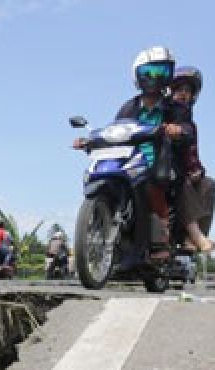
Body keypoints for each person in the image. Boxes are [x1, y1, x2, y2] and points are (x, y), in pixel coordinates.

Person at [74, 46, 192, 259]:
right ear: (137, 75)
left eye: (162, 72)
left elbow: (188, 129)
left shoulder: (175, 107)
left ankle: (160, 241)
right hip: (128, 158)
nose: (155, 78)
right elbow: (116, 129)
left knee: (152, 185)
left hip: (159, 158)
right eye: (149, 72)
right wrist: (90, 140)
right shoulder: (129, 106)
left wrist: (178, 130)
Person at [169, 67, 215, 253]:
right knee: (181, 181)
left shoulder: (189, 123)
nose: (183, 94)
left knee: (208, 184)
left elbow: (191, 154)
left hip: (182, 169)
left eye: (187, 91)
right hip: (161, 167)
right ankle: (197, 235)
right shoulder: (161, 110)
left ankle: (192, 238)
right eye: (179, 90)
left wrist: (198, 170)